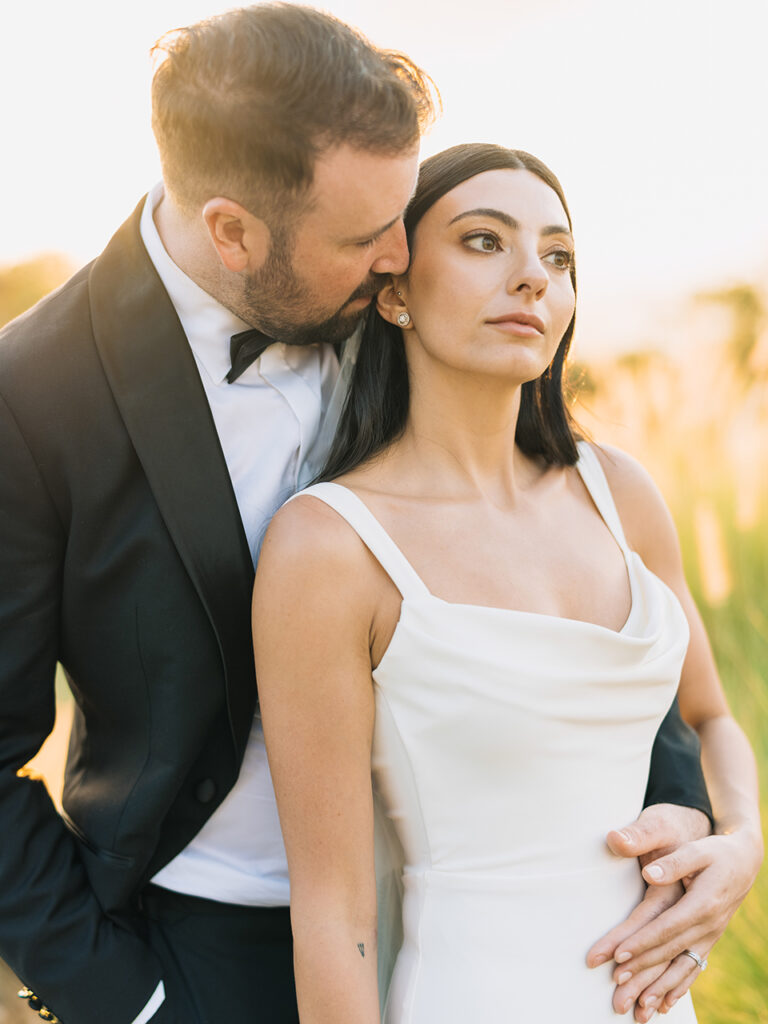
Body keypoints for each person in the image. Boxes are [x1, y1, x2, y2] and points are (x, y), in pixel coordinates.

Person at [252, 144, 763, 1022]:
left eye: (558, 256)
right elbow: (334, 917)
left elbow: (710, 717)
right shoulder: (331, 544)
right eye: (484, 241)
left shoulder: (621, 494)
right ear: (395, 290)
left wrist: (742, 843)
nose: (532, 275)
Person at [0, 6, 433, 1022]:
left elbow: (561, 537)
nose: (403, 255)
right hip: (205, 949)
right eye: (364, 236)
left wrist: (679, 804)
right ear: (232, 231)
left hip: (452, 916)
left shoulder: (421, 298)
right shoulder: (32, 395)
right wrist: (126, 1000)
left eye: (404, 212)